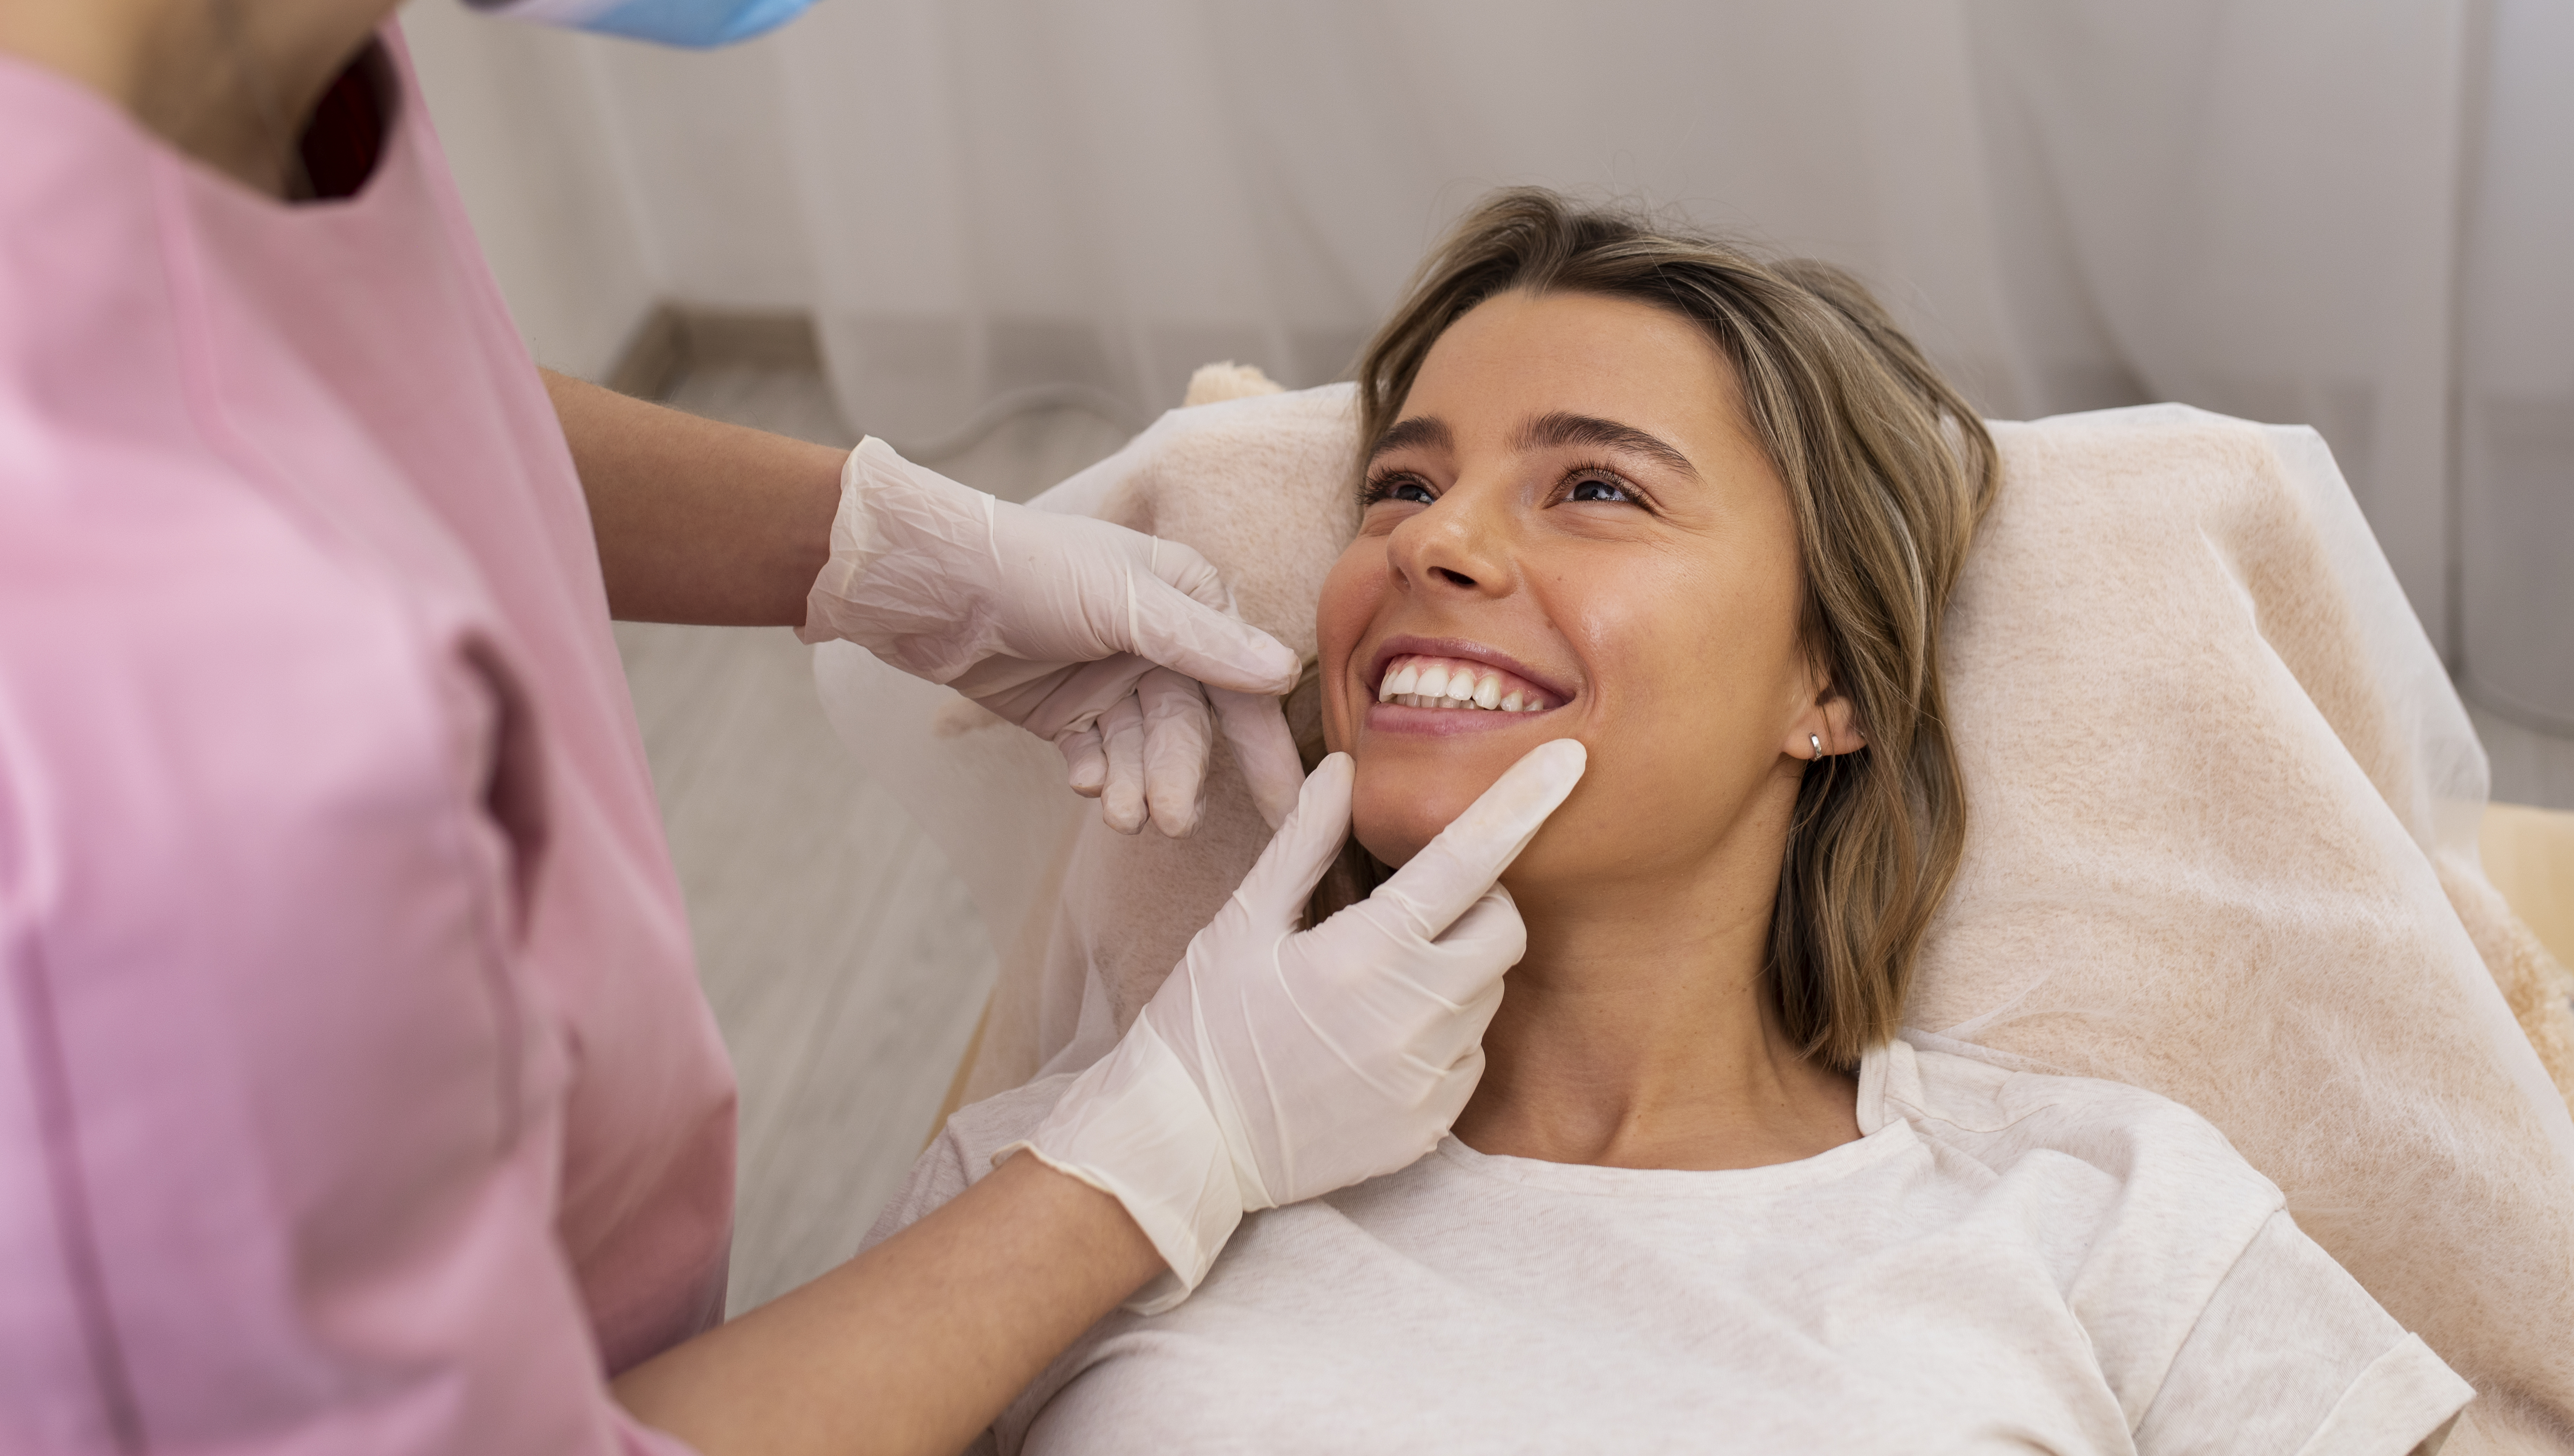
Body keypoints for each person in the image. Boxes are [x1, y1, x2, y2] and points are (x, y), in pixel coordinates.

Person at [0, 0, 1586, 1452]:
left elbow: (326, 392)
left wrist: (869, 546)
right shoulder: (92, 703)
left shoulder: (196, 48)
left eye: (1603, 487)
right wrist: (1167, 1147)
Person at [872, 190, 2479, 1454]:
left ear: (1829, 680)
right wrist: (1165, 1145)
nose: (1432, 542)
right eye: (1401, 486)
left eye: (1598, 488)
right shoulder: (1064, 1181)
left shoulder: (2108, 1216)